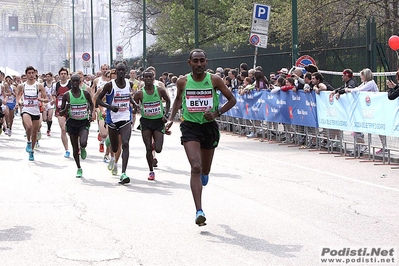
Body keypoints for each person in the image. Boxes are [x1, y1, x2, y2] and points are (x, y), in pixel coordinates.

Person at [165, 49, 236, 226]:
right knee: (195, 167)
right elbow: (178, 100)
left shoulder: (214, 80)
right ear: (189, 63)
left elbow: (232, 100)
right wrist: (170, 119)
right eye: (195, 61)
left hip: (209, 128)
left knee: (204, 170)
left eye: (202, 61)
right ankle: (199, 211)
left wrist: (217, 113)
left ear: (206, 62)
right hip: (190, 127)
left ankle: (205, 174)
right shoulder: (183, 82)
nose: (199, 64)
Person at [96, 63, 136, 184]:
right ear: (116, 71)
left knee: (125, 143)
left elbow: (129, 97)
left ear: (126, 71)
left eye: (123, 70)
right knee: (114, 147)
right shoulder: (109, 85)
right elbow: (98, 100)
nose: (121, 72)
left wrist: (134, 104)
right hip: (112, 119)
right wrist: (109, 106)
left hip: (125, 118)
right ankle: (112, 156)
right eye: (119, 70)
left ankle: (123, 173)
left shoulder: (129, 84)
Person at [133, 70, 171, 180]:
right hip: (146, 122)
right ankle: (151, 171)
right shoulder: (139, 93)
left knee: (158, 149)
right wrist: (135, 109)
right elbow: (135, 107)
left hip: (159, 121)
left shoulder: (159, 90)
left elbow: (168, 101)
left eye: (150, 77)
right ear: (143, 79)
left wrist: (166, 114)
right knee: (148, 148)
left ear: (153, 78)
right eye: (146, 77)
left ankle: (154, 146)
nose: (148, 79)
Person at [59, 74, 95, 178]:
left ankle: (83, 147)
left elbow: (91, 104)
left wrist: (91, 113)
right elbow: (61, 113)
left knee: (83, 142)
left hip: (83, 122)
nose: (75, 83)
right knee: (75, 147)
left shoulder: (85, 93)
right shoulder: (66, 95)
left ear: (79, 82)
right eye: (73, 81)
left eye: (77, 81)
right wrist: (66, 108)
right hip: (72, 123)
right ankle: (79, 167)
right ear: (71, 82)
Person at [16, 66, 48, 161]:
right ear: (26, 75)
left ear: (35, 74)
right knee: (29, 127)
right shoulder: (22, 86)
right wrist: (18, 103)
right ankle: (28, 142)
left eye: (32, 73)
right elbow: (18, 97)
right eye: (29, 73)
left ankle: (32, 151)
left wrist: (40, 99)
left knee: (34, 133)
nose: (31, 75)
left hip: (36, 111)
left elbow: (46, 99)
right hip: (26, 109)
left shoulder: (39, 86)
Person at [52, 67, 71, 157]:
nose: (63, 75)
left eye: (65, 74)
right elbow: (53, 95)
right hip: (60, 109)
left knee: (72, 130)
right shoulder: (56, 85)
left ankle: (77, 146)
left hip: (71, 110)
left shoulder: (71, 84)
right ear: (59, 76)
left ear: (67, 75)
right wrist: (54, 100)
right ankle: (67, 150)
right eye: (61, 74)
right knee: (63, 129)